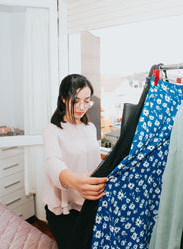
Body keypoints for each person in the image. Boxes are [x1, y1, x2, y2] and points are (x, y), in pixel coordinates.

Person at [42, 74, 108, 249]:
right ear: (64, 99)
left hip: (86, 203)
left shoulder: (90, 128)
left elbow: (93, 160)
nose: (82, 107)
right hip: (64, 210)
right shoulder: (53, 130)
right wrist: (74, 181)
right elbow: (52, 162)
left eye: (87, 101)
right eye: (76, 100)